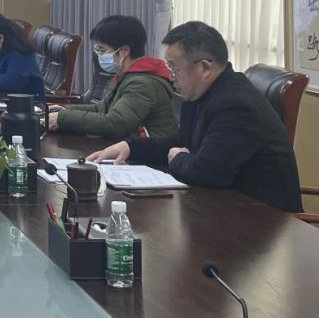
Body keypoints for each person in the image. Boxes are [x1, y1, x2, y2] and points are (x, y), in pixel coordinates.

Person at [87, 21, 302, 212]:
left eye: (174, 68)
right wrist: (130, 147)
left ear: (204, 68)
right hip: (221, 207)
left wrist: (178, 157)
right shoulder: (201, 93)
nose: (170, 76)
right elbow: (181, 142)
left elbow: (207, 172)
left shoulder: (235, 104)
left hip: (264, 221)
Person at [48, 15, 177, 139]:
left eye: (102, 50)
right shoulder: (125, 76)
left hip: (150, 151)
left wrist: (63, 118)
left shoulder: (142, 84)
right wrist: (65, 110)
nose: (99, 55)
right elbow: (102, 109)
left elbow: (115, 123)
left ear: (124, 51)